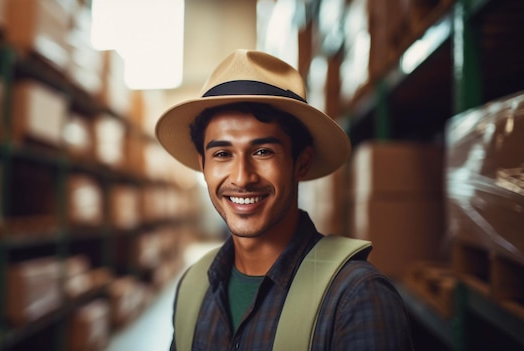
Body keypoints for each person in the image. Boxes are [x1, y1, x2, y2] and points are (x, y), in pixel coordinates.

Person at [155, 49, 413, 350]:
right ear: (203, 166)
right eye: (222, 154)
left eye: (262, 151)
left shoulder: (355, 297)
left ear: (300, 163)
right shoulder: (192, 288)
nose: (241, 177)